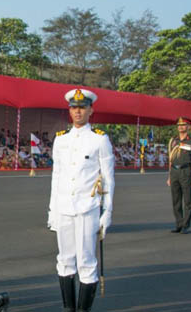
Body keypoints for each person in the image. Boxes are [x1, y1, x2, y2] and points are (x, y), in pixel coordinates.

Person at [48, 88, 115, 312]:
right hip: (64, 208)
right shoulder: (61, 140)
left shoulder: (99, 139)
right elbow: (56, 177)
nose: (78, 111)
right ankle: (69, 308)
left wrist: (107, 213)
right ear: (69, 110)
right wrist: (52, 210)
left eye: (82, 107)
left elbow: (108, 179)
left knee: (86, 262)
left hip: (88, 208)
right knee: (65, 260)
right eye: (74, 107)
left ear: (91, 110)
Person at [167, 117, 191, 234]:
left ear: (188, 127)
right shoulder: (173, 140)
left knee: (187, 200)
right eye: (179, 125)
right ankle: (179, 224)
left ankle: (186, 225)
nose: (180, 127)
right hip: (174, 171)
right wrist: (169, 176)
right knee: (175, 200)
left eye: (183, 125)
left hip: (187, 172)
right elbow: (170, 160)